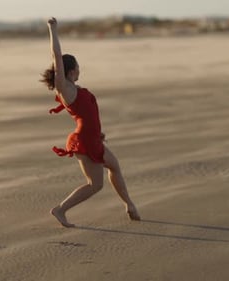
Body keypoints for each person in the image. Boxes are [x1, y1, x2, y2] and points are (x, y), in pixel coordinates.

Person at [41, 17, 140, 228]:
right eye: (77, 67)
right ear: (70, 71)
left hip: (92, 137)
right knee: (95, 184)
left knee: (114, 166)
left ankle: (130, 205)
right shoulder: (65, 89)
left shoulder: (75, 88)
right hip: (84, 140)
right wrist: (53, 29)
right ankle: (60, 209)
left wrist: (99, 133)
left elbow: (89, 115)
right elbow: (56, 56)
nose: (80, 70)